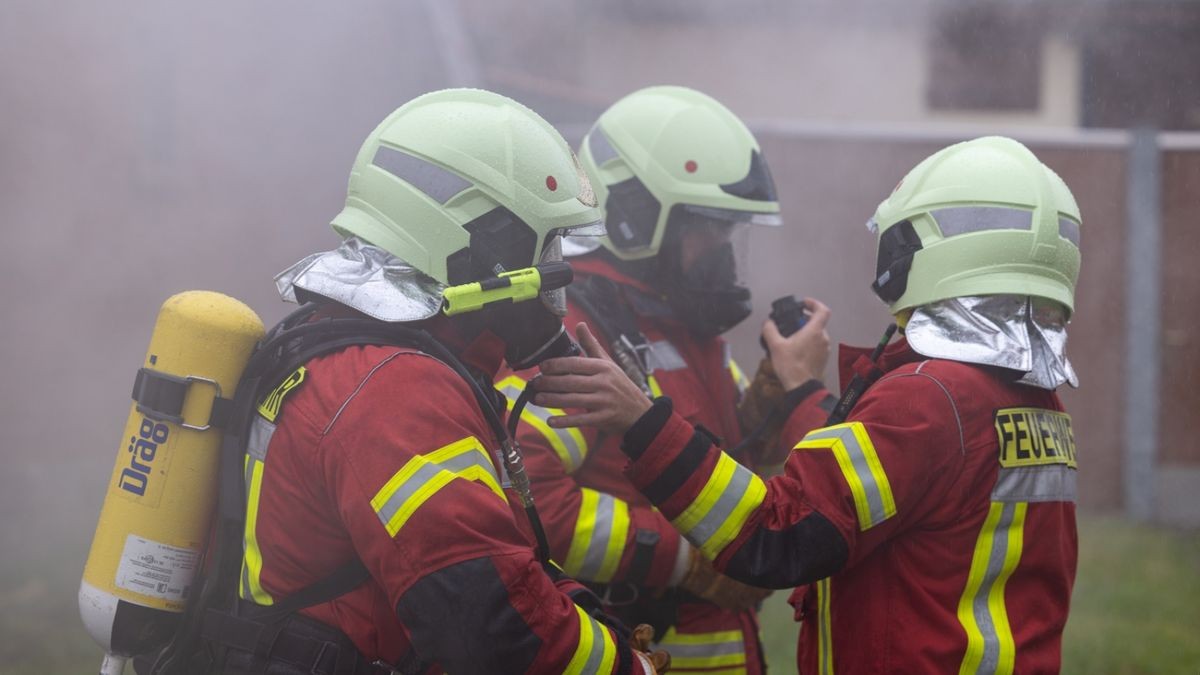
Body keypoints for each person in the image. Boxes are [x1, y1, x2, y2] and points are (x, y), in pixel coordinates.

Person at [534, 136, 1082, 673]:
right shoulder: (1035, 399)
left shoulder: (927, 398)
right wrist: (795, 395)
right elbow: (890, 484)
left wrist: (644, 423)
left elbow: (780, 534)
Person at [170, 89, 670, 674]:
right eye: (543, 246)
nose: (553, 279)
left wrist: (593, 624)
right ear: (482, 248)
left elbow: (496, 560)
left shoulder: (335, 345)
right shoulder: (395, 393)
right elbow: (486, 629)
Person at [496, 85, 836, 675]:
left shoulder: (685, 330)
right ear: (634, 216)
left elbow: (712, 464)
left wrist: (769, 406)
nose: (722, 252)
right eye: (708, 229)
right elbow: (528, 503)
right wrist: (684, 558)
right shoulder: (575, 332)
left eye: (731, 232)